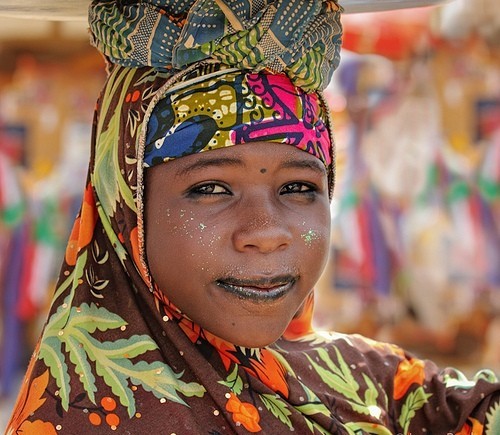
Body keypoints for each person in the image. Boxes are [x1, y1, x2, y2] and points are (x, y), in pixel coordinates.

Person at [6, 0, 500, 433]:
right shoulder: (84, 419)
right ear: (127, 210)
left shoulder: (359, 386)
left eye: (297, 188)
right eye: (211, 188)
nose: (266, 232)